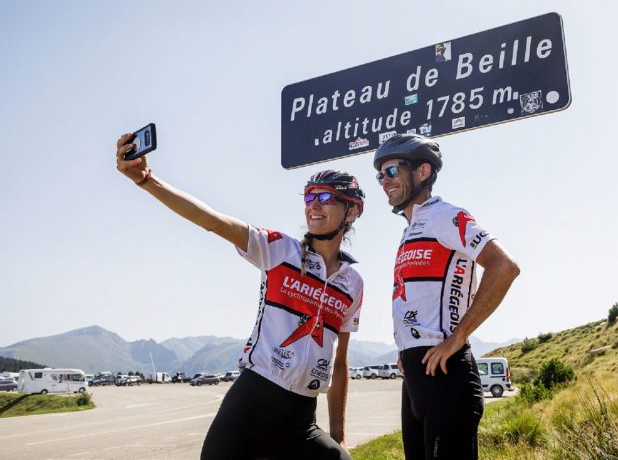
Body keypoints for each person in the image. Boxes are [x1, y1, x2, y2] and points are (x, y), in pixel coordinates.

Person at [115, 132, 365, 460]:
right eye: (308, 197)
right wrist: (147, 180)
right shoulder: (278, 249)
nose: (313, 205)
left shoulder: (353, 283)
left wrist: (340, 436)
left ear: (351, 212)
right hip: (252, 404)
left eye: (326, 197)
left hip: (301, 419)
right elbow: (212, 222)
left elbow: (340, 364)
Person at [373, 133, 520, 460]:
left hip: (447, 378)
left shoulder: (446, 215)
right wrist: (406, 346)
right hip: (414, 378)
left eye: (392, 171)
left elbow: (504, 266)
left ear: (422, 172)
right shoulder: (409, 229)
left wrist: (459, 336)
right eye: (380, 174)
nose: (384, 181)